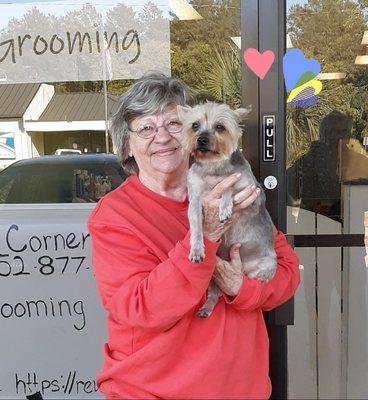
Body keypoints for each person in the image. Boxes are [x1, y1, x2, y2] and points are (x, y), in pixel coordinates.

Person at [87, 72, 300, 400]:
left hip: (241, 389)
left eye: (174, 123)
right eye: (146, 128)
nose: (163, 137)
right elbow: (142, 308)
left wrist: (243, 289)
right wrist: (209, 232)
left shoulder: (233, 187)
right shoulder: (115, 216)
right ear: (127, 144)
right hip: (153, 392)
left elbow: (286, 274)